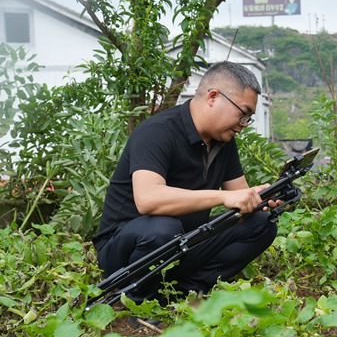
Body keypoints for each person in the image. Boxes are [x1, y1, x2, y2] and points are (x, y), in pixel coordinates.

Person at [92, 61, 280, 304]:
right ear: (213, 97)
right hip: (126, 255)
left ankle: (184, 292)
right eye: (242, 113)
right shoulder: (158, 131)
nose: (243, 125)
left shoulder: (223, 142)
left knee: (260, 223)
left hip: (181, 244)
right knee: (163, 228)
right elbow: (148, 200)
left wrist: (264, 197)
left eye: (248, 118)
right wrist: (222, 197)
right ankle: (140, 301)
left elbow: (240, 198)